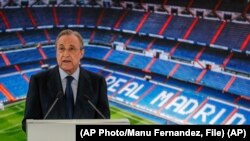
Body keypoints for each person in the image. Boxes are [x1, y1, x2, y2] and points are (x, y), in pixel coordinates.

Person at [22, 29, 110, 132]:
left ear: (81, 53)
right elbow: (28, 123)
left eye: (71, 49)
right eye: (61, 49)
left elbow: (104, 122)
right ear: (56, 52)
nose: (66, 54)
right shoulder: (38, 81)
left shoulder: (98, 82)